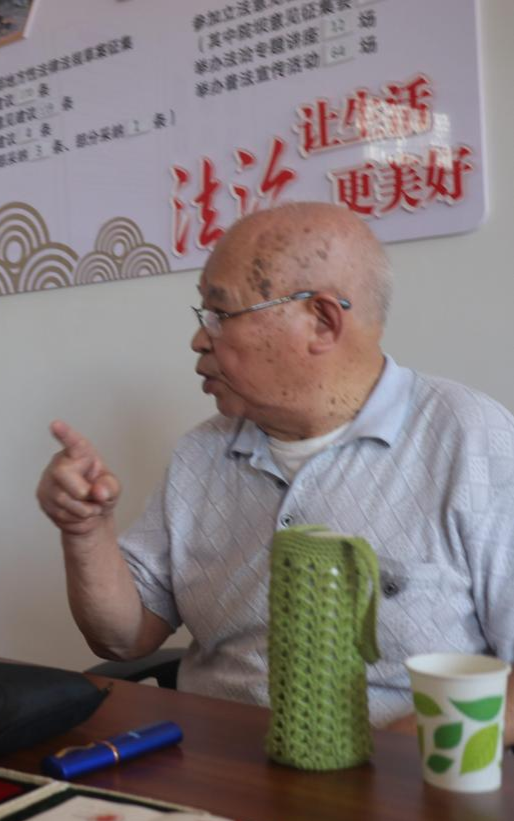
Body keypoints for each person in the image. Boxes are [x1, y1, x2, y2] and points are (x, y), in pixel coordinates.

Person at [35, 202, 514, 743]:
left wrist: (399, 750)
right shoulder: (202, 453)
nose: (199, 338)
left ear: (321, 321)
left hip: (403, 772)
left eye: (221, 313)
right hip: (217, 761)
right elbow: (123, 639)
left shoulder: (473, 440)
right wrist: (86, 531)